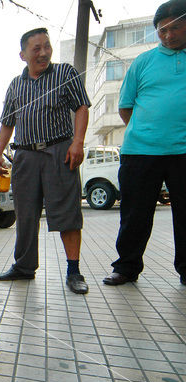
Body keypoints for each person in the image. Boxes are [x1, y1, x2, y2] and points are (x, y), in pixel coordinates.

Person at [0, 27, 91, 295]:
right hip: (24, 156)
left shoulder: (65, 73)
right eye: (36, 48)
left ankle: (74, 271)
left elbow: (82, 106)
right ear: (23, 55)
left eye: (46, 46)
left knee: (67, 213)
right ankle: (24, 267)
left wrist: (78, 142)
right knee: (25, 215)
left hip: (59, 151)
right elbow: (7, 122)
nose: (44, 52)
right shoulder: (15, 84)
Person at [103, 0, 186, 287]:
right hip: (141, 151)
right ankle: (126, 267)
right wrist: (149, 131)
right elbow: (126, 107)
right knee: (135, 214)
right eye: (162, 30)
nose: (168, 35)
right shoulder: (143, 62)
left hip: (183, 153)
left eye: (175, 28)